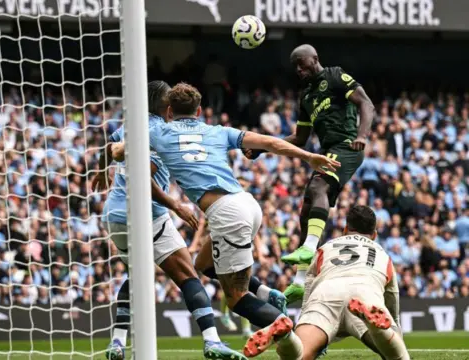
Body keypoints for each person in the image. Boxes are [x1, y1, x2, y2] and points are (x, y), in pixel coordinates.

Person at [114, 83, 340, 357]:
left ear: (170, 111)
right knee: (202, 264)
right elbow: (269, 142)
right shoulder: (216, 131)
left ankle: (293, 329)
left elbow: (118, 150)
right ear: (199, 111)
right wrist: (307, 156)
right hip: (248, 205)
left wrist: (113, 155)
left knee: (236, 298)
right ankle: (268, 294)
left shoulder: (157, 131)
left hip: (226, 215)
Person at [94, 80, 246, 360]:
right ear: (168, 108)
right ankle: (212, 341)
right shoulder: (161, 131)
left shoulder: (131, 126)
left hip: (114, 215)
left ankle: (116, 342)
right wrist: (176, 206)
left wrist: (101, 172)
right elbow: (143, 176)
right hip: (147, 213)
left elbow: (111, 146)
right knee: (188, 275)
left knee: (136, 276)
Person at [245, 44, 375, 304]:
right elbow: (300, 138)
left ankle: (308, 249)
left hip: (347, 146)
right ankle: (300, 281)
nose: (299, 70)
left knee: (318, 188)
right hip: (327, 153)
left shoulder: (335, 75)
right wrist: (262, 148)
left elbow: (366, 103)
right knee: (305, 210)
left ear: (315, 59)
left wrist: (362, 135)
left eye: (302, 64)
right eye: (295, 66)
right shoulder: (306, 96)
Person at [290, 205, 409, 360]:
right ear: (374, 235)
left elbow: (309, 287)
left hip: (327, 292)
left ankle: (286, 340)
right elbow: (392, 300)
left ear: (345, 229)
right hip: (365, 295)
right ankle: (381, 332)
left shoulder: (324, 249)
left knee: (299, 354)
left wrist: (305, 320)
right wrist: (396, 330)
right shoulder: (382, 255)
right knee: (396, 355)